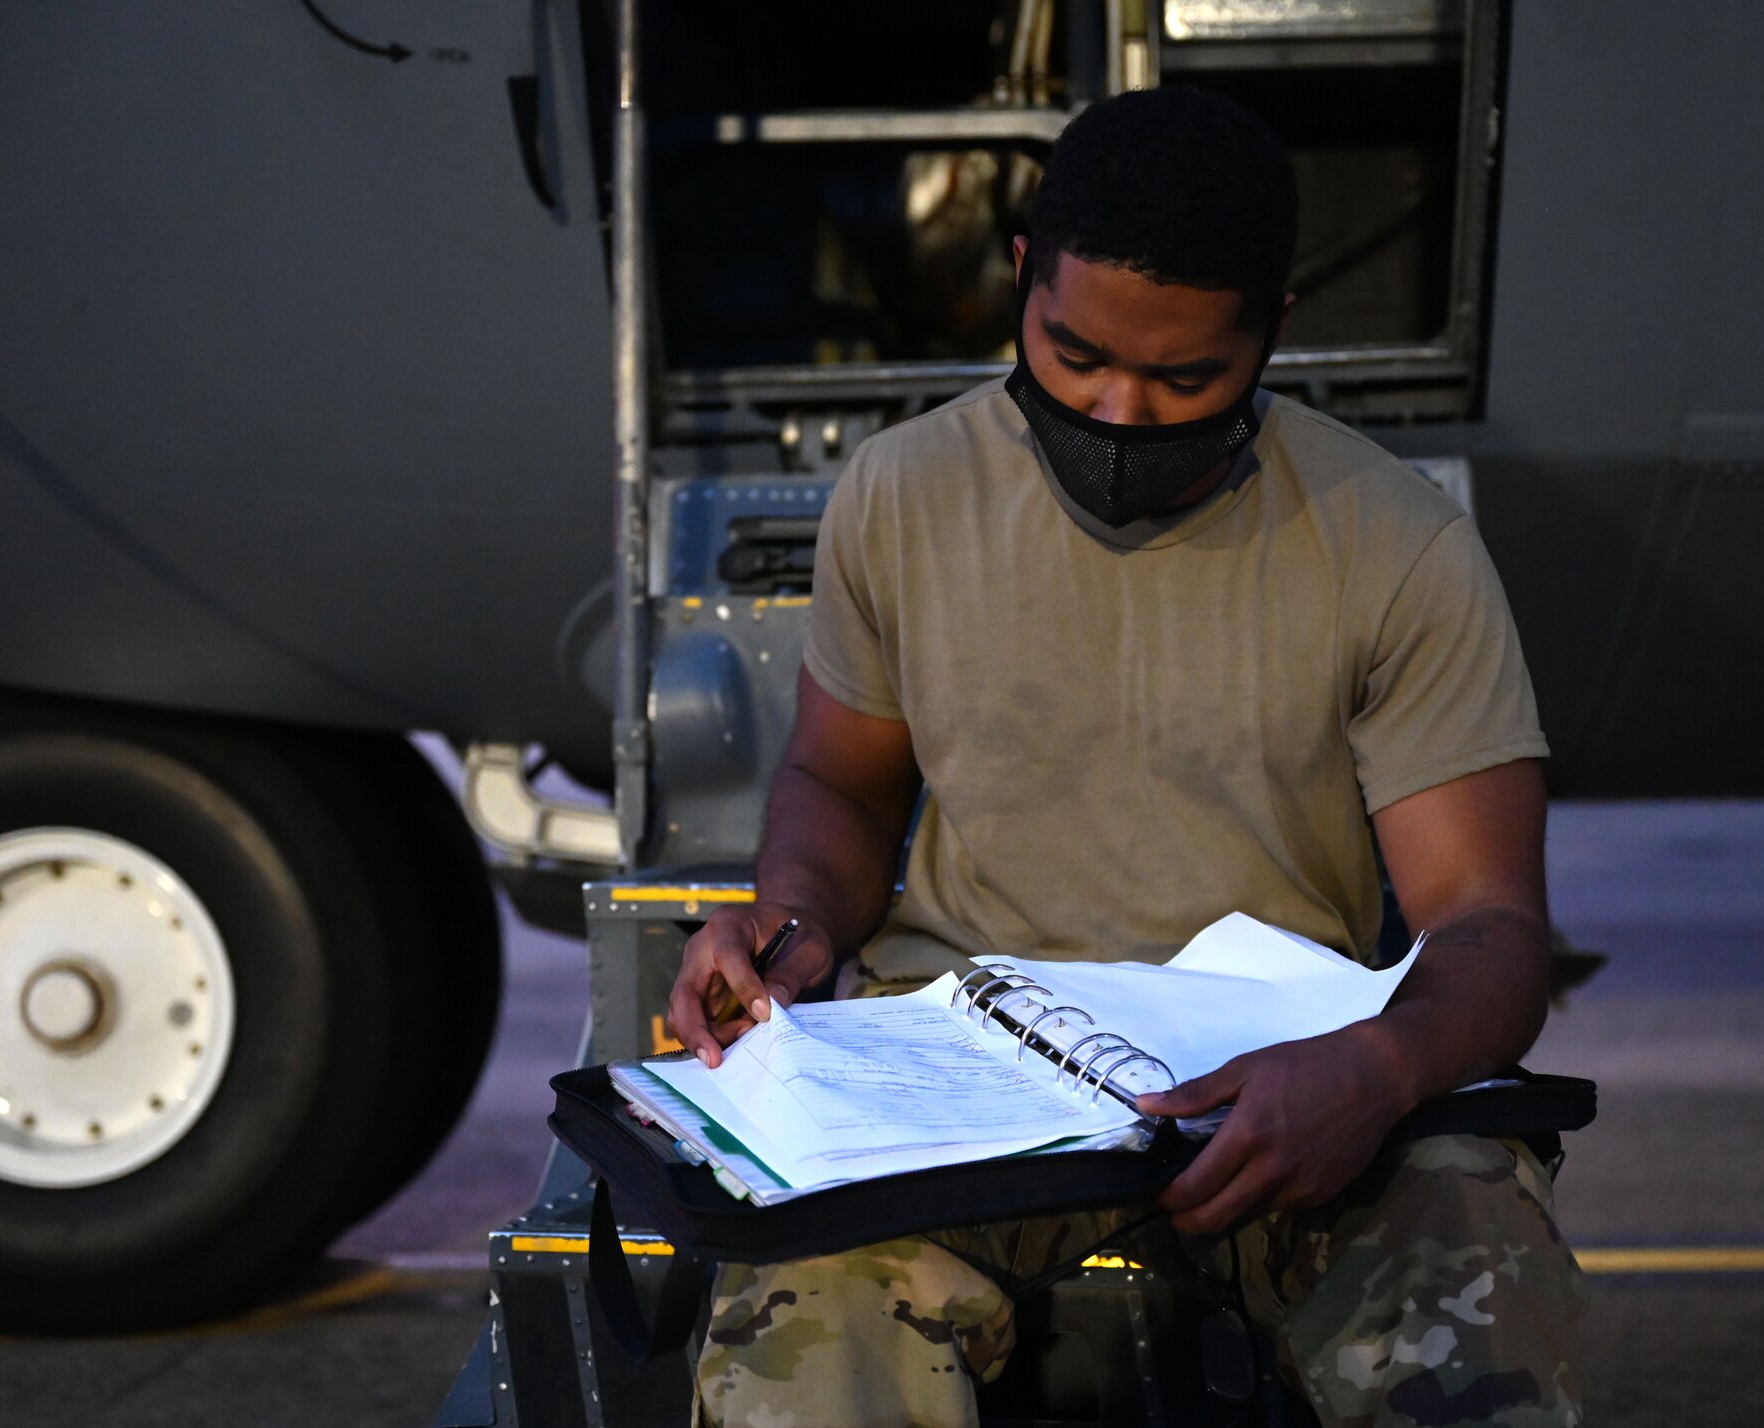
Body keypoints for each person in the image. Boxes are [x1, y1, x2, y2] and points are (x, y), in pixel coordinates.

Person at [666, 85, 1585, 1428]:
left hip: (1287, 1093)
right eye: (1076, 352)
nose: (1120, 410)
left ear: (1273, 331)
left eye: (1185, 379)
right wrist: (792, 926)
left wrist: (1377, 1072)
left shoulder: (1396, 548)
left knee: (1470, 1236)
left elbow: (1494, 931)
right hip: (970, 1088)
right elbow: (839, 785)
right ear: (1023, 277)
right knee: (807, 1312)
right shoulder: (902, 494)